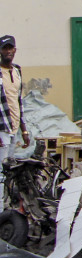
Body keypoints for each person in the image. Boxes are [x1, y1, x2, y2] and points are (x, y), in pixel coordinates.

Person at [0, 35, 30, 207]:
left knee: (9, 171)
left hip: (14, 128)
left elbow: (19, 101)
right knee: (1, 173)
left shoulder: (17, 70)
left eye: (11, 48)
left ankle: (6, 206)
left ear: (15, 50)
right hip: (1, 129)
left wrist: (24, 130)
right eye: (5, 48)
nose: (8, 51)